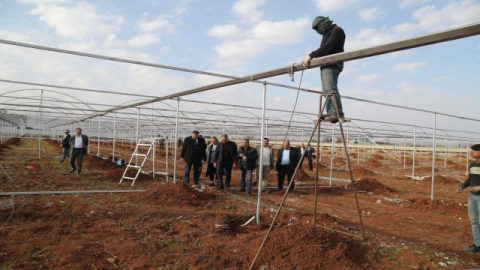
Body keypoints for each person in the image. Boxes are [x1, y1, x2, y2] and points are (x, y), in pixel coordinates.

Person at [302, 16, 346, 123]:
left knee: (331, 89)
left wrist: (311, 55)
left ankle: (337, 112)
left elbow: (327, 47)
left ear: (324, 23)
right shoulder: (328, 33)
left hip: (333, 63)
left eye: (318, 28)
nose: (318, 31)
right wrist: (316, 57)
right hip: (326, 64)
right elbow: (325, 49)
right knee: (326, 90)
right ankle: (331, 111)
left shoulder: (337, 31)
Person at [459, 144, 480, 253]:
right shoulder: (472, 164)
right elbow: (470, 179)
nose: (471, 153)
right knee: (475, 222)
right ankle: (478, 245)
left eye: (474, 151)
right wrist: (463, 185)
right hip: (472, 197)